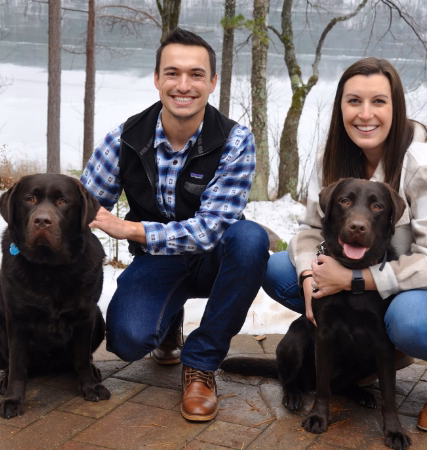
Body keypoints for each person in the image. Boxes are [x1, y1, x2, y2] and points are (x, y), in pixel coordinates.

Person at [263, 57, 427, 432]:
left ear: (397, 107)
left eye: (379, 101)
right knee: (280, 269)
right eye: (354, 101)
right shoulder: (334, 155)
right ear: (340, 106)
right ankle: (367, 353)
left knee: (409, 318)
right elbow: (310, 230)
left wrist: (351, 281)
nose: (365, 114)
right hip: (387, 278)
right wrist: (311, 277)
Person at [81, 28, 269, 422]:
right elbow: (86, 205)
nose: (184, 85)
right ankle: (167, 325)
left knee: (250, 238)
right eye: (172, 73)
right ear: (156, 79)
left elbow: (209, 230)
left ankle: (200, 363)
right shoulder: (125, 139)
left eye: (196, 74)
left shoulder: (235, 141)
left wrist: (132, 230)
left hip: (216, 258)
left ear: (213, 82)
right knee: (127, 340)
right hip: (158, 260)